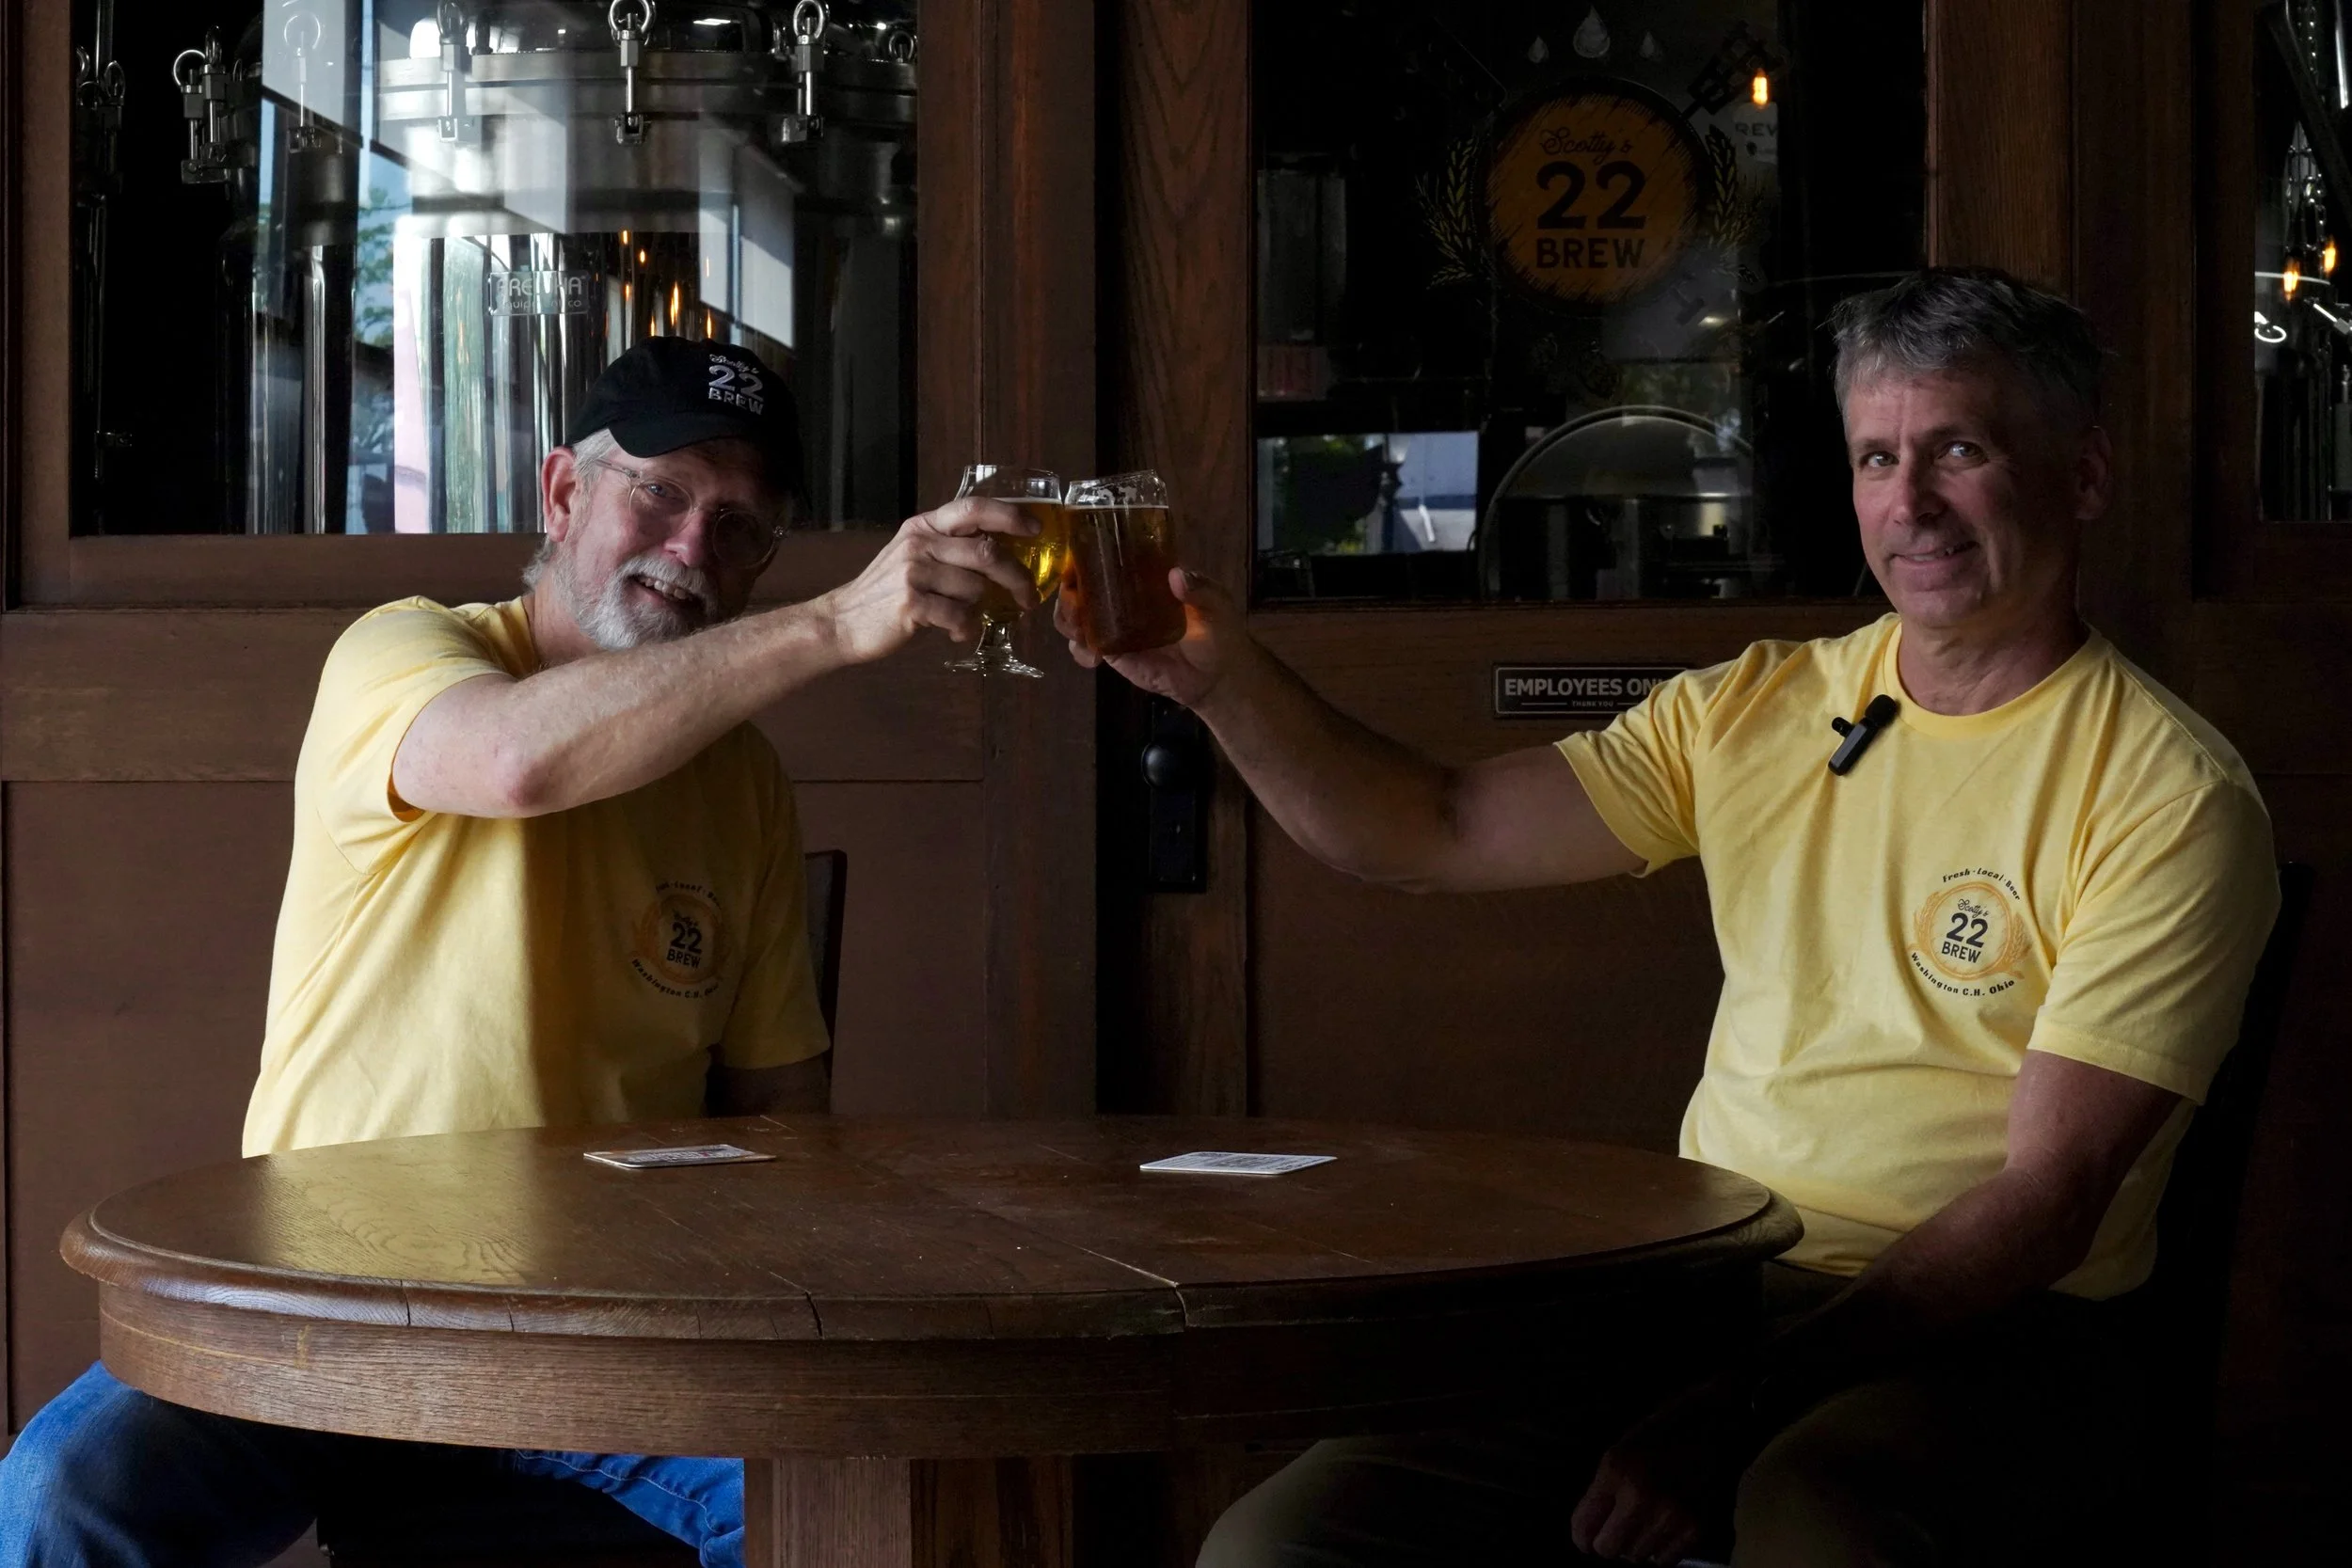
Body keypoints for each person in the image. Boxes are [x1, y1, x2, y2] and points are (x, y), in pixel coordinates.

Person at [1065, 268, 2280, 1565]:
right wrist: (1223, 681)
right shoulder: (1759, 710)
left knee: (1813, 1524)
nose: (1909, 502)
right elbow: (1432, 833)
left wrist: (1736, 1406)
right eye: (1877, 455)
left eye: (1961, 449)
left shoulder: (2167, 792)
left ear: (2082, 475)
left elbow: (2049, 1200)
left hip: (1994, 1331)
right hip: (1704, 1286)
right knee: (1286, 1542)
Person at [0, 338, 1044, 1568]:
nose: (693, 550)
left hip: (612, 1339)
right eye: (659, 493)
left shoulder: (744, 785)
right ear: (562, 493)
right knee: (63, 1493)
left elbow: (781, 1122)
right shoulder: (405, 652)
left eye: (741, 529)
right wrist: (835, 619)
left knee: (878, 1508)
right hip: (330, 1304)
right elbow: (512, 762)